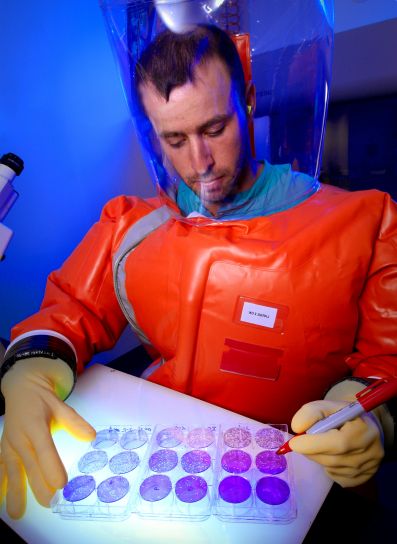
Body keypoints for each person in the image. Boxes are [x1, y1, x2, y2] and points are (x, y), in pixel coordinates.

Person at [1, 24, 396, 520]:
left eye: (214, 129)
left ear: (248, 101)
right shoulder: (131, 225)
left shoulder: (366, 222)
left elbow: (388, 362)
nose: (200, 162)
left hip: (302, 477)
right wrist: (30, 373)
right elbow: (70, 310)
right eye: (175, 138)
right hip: (165, 470)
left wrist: (371, 415)